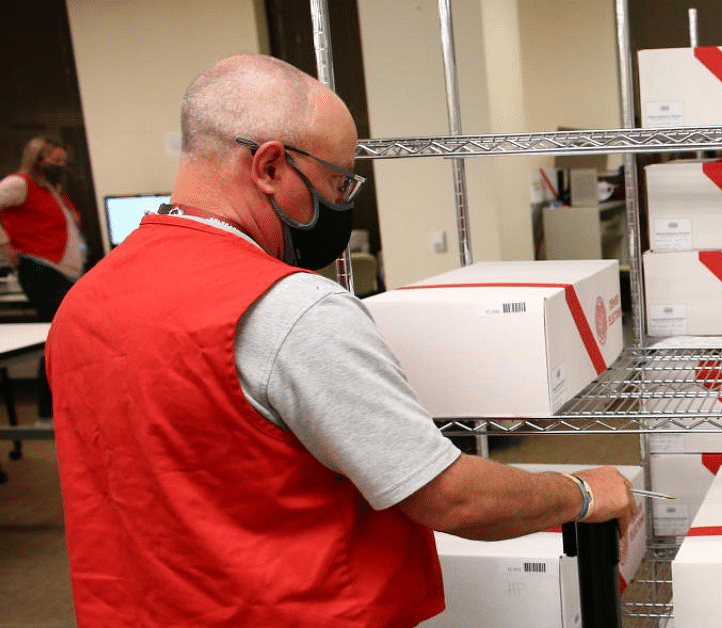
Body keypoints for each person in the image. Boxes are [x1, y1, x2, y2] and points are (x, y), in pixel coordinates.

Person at [46, 54, 637, 627]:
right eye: (336, 182)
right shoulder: (290, 308)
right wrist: (581, 492)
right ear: (270, 167)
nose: (341, 205)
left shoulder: (85, 302)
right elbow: (452, 499)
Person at [0, 135, 87, 421]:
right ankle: (48, 413)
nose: (60, 166)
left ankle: (61, 408)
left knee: (65, 341)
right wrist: (5, 246)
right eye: (55, 161)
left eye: (63, 161)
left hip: (61, 273)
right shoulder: (19, 184)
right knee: (56, 341)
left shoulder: (52, 190)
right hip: (40, 269)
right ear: (38, 159)